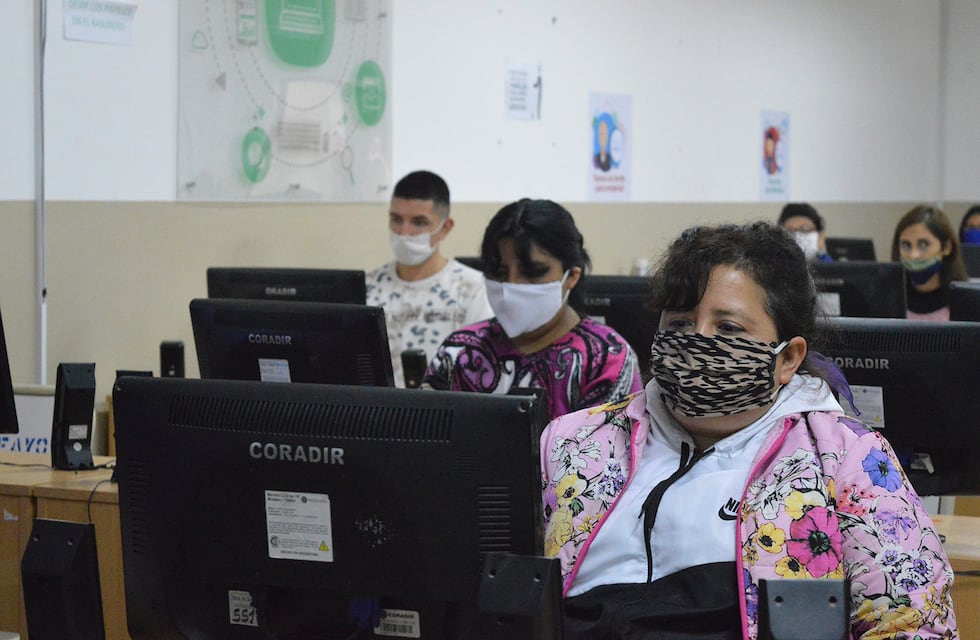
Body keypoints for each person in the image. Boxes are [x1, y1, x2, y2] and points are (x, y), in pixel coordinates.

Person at [541, 222, 956, 639]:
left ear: (788, 358)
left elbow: (915, 626)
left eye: (728, 329)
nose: (697, 342)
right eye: (680, 323)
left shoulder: (848, 459)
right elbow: (512, 592)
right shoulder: (574, 442)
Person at [422, 198, 643, 420]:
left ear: (571, 277)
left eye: (532, 272)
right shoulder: (459, 351)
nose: (511, 285)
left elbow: (609, 440)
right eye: (498, 272)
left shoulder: (606, 360)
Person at [365, 170, 493, 387]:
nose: (404, 232)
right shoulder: (366, 286)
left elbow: (482, 369)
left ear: (445, 228)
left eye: (419, 222)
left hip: (447, 404)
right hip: (373, 404)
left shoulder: (473, 289)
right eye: (396, 220)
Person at [890, 205, 968, 321]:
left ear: (946, 247)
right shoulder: (887, 299)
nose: (913, 255)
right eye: (906, 245)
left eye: (923, 245)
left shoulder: (966, 301)